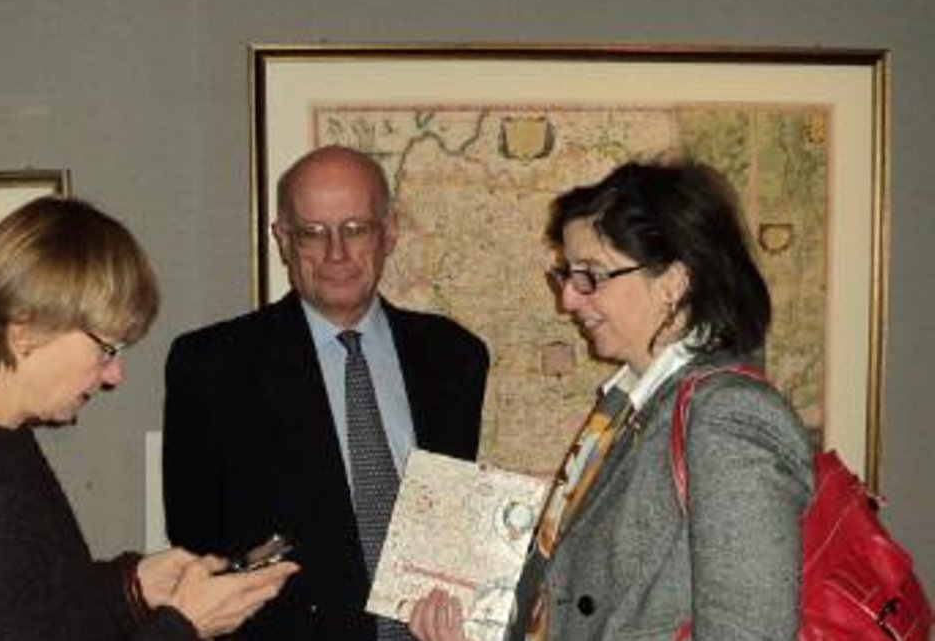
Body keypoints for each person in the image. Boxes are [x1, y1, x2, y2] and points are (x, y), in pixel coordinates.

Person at [408, 160, 814, 641]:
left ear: (673, 283)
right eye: (567, 274)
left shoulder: (728, 416)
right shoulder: (630, 405)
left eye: (591, 276)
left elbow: (749, 633)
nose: (568, 300)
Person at [0, 196, 297, 641]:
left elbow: (27, 607)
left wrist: (132, 588)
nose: (114, 375)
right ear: (25, 330)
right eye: (106, 349)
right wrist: (183, 626)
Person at [162, 145, 490, 641]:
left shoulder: (455, 357)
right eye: (313, 233)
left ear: (390, 232)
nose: (336, 253)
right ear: (283, 239)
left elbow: (453, 522)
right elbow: (198, 542)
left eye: (356, 229)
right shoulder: (212, 366)